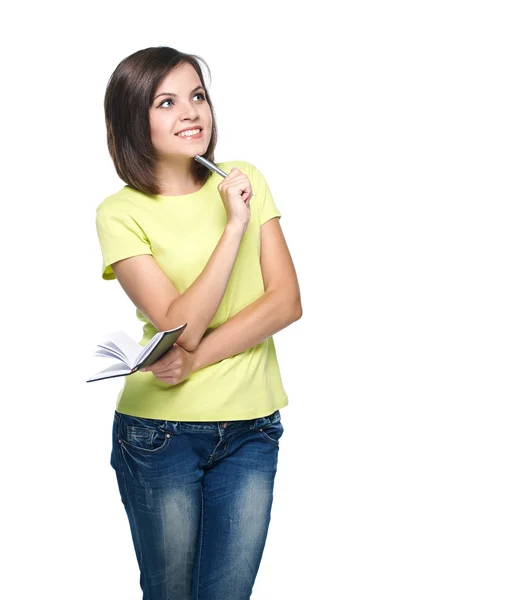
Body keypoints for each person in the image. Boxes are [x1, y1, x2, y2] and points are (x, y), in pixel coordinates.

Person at [96, 46, 302, 600]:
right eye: (166, 102)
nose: (190, 112)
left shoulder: (246, 177)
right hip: (159, 434)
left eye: (198, 96)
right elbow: (178, 326)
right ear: (133, 119)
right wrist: (233, 226)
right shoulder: (120, 212)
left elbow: (285, 303)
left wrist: (197, 359)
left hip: (252, 430)